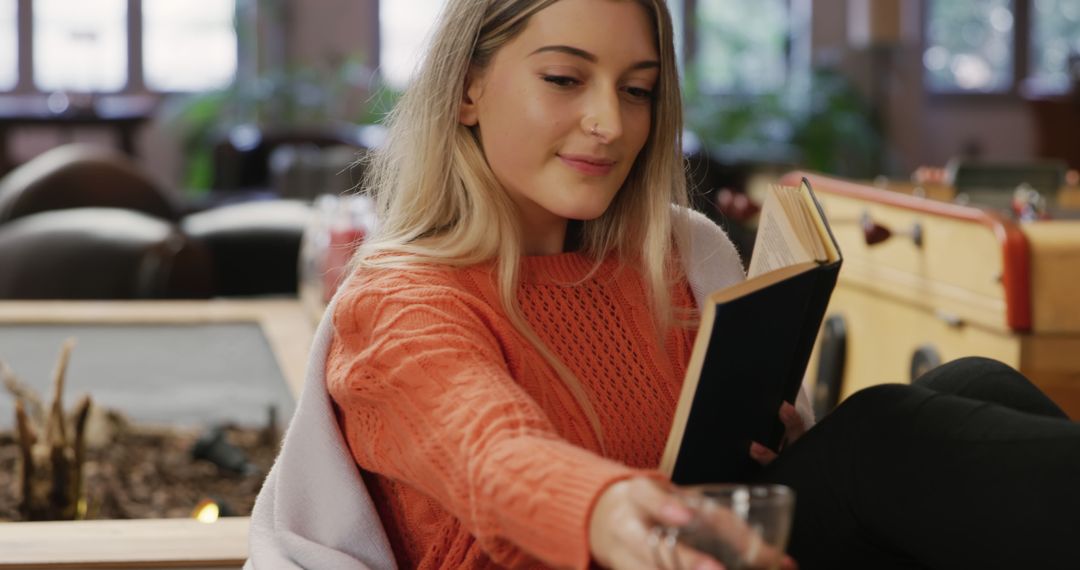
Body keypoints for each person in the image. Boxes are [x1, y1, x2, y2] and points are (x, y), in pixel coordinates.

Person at [249, 0, 1080, 568]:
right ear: (468, 88)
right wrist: (608, 509)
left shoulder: (671, 257)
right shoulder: (401, 302)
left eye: (638, 90)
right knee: (883, 437)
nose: (611, 123)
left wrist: (778, 445)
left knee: (975, 384)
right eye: (565, 79)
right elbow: (491, 453)